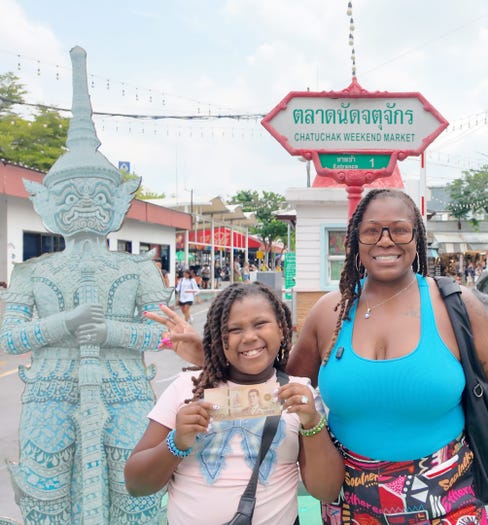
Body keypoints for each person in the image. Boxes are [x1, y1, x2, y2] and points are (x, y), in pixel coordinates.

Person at [285, 188, 488, 524]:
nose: (385, 241)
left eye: (399, 230)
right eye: (372, 231)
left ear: (417, 238)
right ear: (355, 239)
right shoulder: (329, 312)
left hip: (448, 505)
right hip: (349, 508)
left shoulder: (456, 306)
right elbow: (285, 396)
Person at [0, 46, 171, 523]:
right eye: (71, 196)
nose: (85, 204)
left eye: (96, 193)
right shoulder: (33, 272)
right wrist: (67, 322)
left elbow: (162, 334)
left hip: (124, 390)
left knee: (134, 496)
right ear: (48, 204)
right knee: (46, 497)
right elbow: (8, 338)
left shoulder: (137, 269)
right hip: (49, 391)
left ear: (117, 201)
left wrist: (109, 332)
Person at [125, 282, 344, 525]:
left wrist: (312, 423)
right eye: (234, 329)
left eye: (260, 324)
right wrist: (176, 443)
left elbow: (327, 491)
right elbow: (136, 484)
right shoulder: (186, 388)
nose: (249, 337)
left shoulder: (299, 394)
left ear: (282, 329)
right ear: (219, 339)